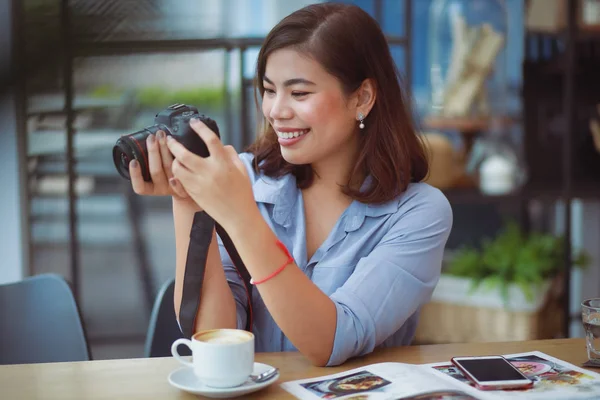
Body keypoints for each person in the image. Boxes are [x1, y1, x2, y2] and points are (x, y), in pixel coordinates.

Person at [128, 2, 452, 367]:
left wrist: (240, 216)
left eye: (299, 94)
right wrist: (188, 197)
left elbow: (332, 340)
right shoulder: (245, 180)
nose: (276, 111)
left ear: (361, 98)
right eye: (269, 90)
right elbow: (216, 338)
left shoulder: (419, 213)